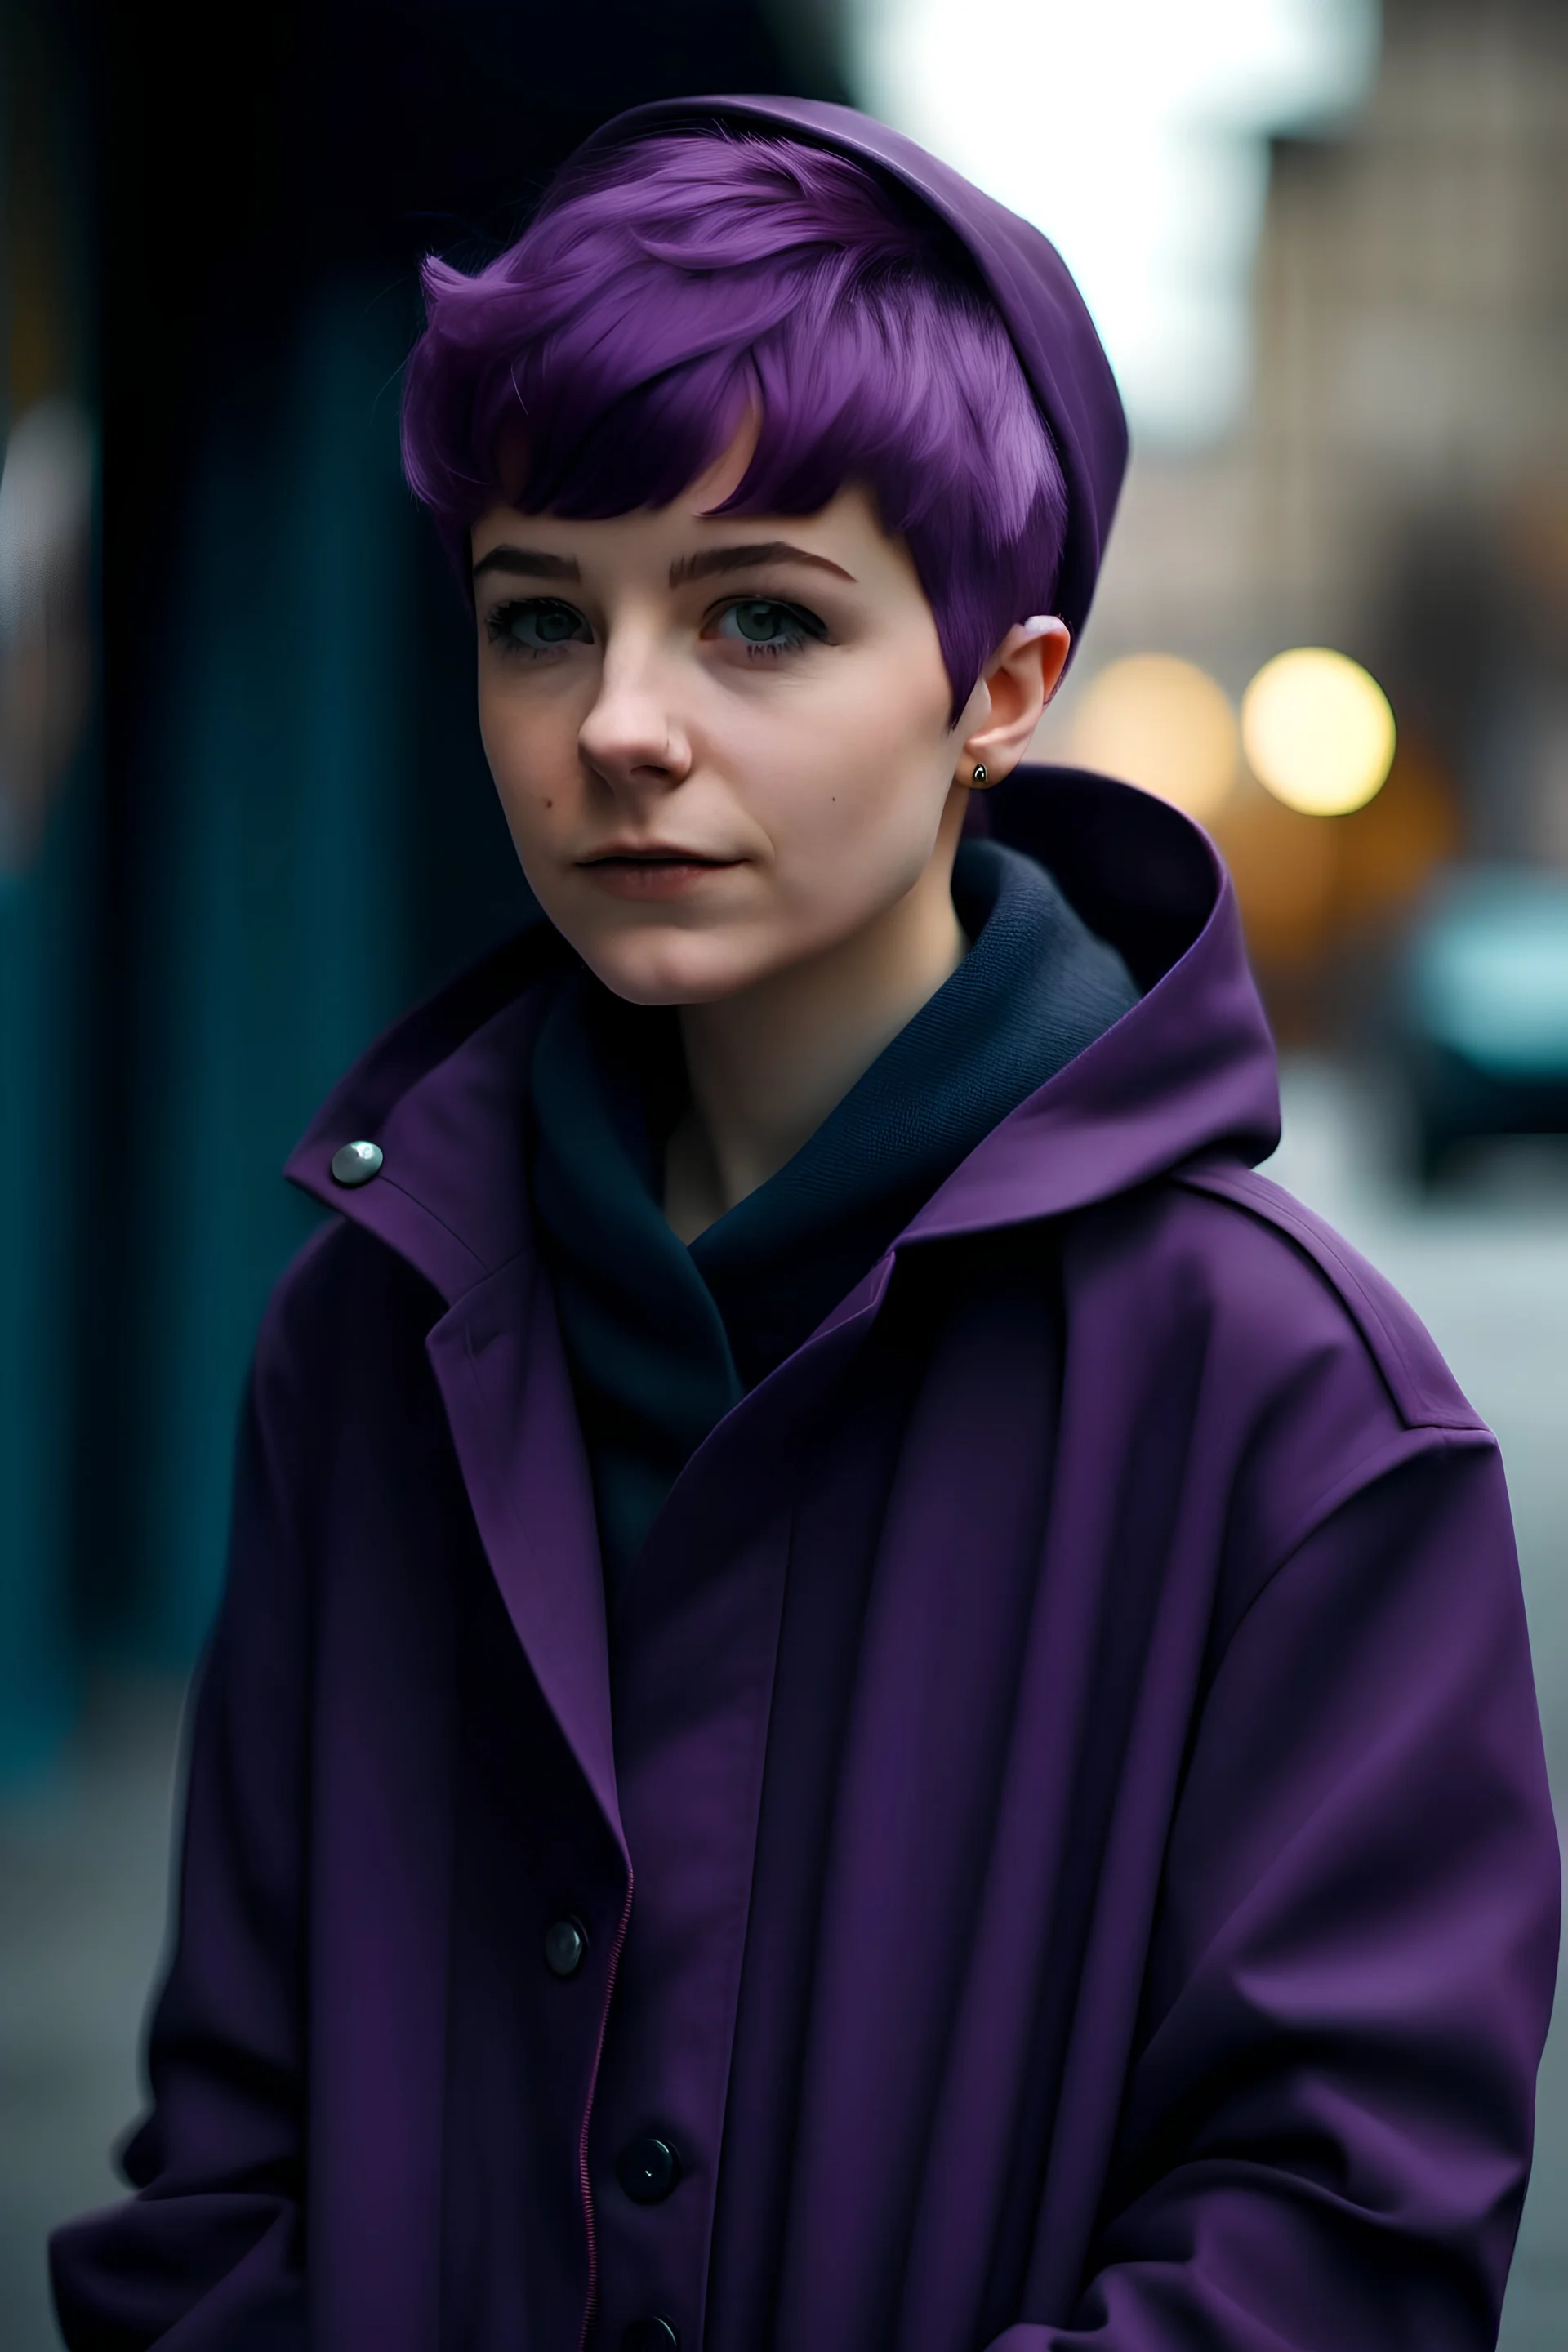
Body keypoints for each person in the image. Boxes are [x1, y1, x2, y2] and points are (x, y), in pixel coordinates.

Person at [51, 95, 1558, 2352]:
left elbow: (1329, 2249)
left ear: (1000, 693)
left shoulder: (1299, 1419)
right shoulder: (364, 1339)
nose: (620, 729)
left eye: (759, 616)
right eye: (537, 618)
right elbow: (221, 2177)